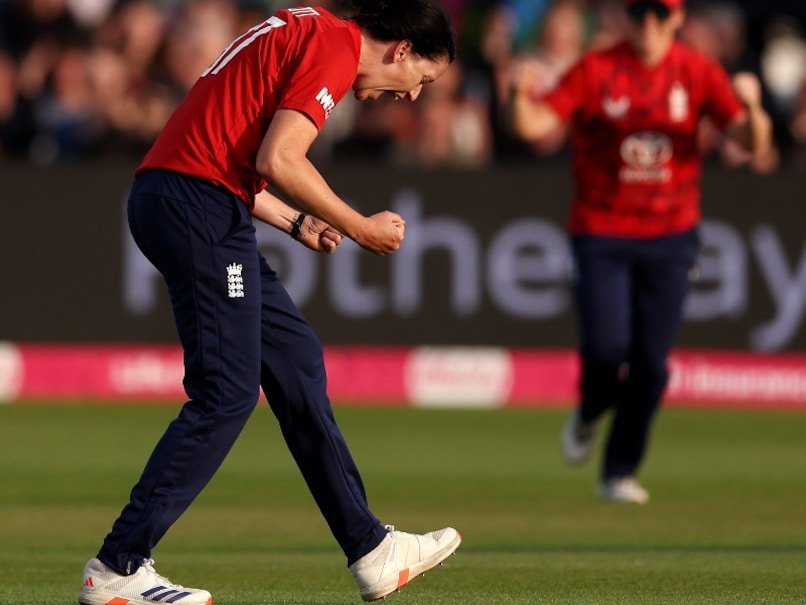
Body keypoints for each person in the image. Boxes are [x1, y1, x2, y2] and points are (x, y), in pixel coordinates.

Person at [78, 2, 461, 604]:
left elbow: (229, 146)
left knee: (295, 359)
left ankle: (371, 550)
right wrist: (360, 227)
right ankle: (117, 566)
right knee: (226, 392)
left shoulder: (309, 28)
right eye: (423, 80)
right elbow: (278, 159)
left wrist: (296, 222)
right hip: (196, 205)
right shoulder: (335, 48)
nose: (412, 96)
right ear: (402, 49)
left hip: (189, 196)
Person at [509, 0, 771, 503]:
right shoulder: (597, 68)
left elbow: (750, 139)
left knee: (652, 364)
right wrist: (519, 94)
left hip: (671, 234)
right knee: (607, 351)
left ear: (677, 19)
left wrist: (754, 107)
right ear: (625, 17)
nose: (648, 24)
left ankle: (618, 471)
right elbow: (535, 125)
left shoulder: (696, 70)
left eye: (659, 14)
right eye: (638, 13)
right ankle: (590, 410)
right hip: (602, 230)